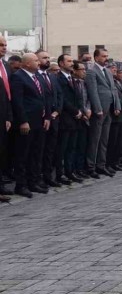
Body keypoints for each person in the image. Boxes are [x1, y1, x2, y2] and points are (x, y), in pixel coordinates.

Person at [10, 53, 49, 198]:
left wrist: (47, 116)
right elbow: (17, 101)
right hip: (27, 122)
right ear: (27, 63)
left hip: (39, 121)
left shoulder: (37, 76)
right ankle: (21, 185)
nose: (38, 62)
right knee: (23, 154)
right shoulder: (18, 77)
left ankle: (33, 181)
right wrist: (23, 121)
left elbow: (43, 98)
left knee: (36, 153)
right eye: (36, 60)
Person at [84, 47, 121, 178]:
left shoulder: (107, 71)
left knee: (104, 140)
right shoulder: (91, 72)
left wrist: (117, 105)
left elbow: (113, 89)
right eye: (103, 56)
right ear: (96, 57)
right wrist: (97, 108)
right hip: (99, 110)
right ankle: (91, 166)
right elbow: (92, 91)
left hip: (109, 109)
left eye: (106, 56)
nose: (106, 58)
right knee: (95, 140)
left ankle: (101, 165)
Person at [36, 50, 62, 188]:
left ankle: (48, 176)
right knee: (39, 150)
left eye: (48, 57)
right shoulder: (35, 76)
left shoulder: (52, 76)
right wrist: (47, 114)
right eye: (44, 58)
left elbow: (59, 95)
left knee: (50, 149)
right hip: (41, 118)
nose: (47, 60)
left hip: (54, 118)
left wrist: (57, 111)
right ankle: (37, 177)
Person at [57, 56, 84, 184]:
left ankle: (70, 171)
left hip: (75, 119)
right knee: (62, 148)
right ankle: (60, 174)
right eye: (69, 61)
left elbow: (78, 97)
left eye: (72, 61)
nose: (72, 63)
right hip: (65, 118)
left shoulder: (72, 78)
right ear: (61, 63)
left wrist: (80, 111)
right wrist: (75, 111)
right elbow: (62, 99)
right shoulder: (58, 78)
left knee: (71, 148)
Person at [106, 61, 122, 172]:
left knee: (120, 141)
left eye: (115, 69)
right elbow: (114, 98)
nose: (115, 70)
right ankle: (110, 163)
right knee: (113, 142)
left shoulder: (119, 82)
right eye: (112, 69)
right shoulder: (109, 82)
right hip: (115, 115)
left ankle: (116, 162)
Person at [0, 37, 12, 201]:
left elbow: (8, 94)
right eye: (1, 45)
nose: (3, 47)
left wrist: (9, 116)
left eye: (5, 45)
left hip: (4, 114)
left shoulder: (6, 66)